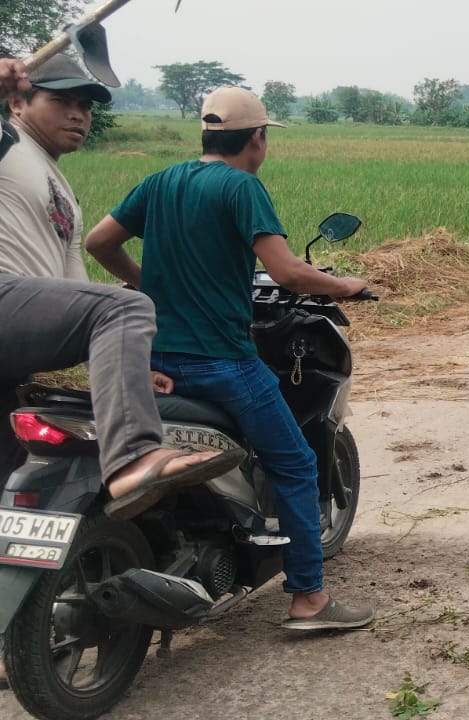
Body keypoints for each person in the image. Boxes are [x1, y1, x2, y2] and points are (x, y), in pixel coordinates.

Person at [84, 86, 373, 631]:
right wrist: (346, 286)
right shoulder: (242, 187)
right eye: (266, 138)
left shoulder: (161, 181)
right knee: (295, 463)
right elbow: (287, 273)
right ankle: (309, 599)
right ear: (257, 140)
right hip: (223, 361)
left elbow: (99, 241)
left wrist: (150, 287)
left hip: (156, 357)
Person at [0, 57, 243, 514]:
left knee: (10, 489)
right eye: (61, 101)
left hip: (15, 344)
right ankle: (133, 455)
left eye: (85, 106)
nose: (78, 114)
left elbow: (74, 289)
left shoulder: (60, 186)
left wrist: (129, 365)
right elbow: (103, 308)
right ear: (16, 102)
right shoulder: (7, 142)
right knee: (124, 307)